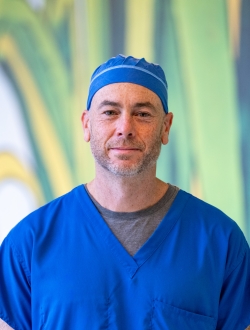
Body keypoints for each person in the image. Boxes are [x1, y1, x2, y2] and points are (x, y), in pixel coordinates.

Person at [0, 54, 249, 330]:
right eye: (110, 112)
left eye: (142, 114)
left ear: (165, 127)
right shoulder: (29, 244)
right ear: (87, 125)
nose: (125, 128)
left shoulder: (220, 241)